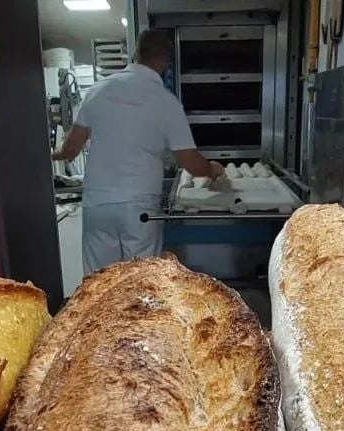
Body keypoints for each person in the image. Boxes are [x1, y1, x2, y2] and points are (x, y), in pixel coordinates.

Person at [52, 29, 225, 274]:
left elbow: (70, 150)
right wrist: (212, 169)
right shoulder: (166, 102)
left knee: (99, 285)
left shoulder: (98, 92)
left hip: (98, 204)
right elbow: (189, 161)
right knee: (140, 284)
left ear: (136, 53)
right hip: (139, 207)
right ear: (165, 60)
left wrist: (46, 155)